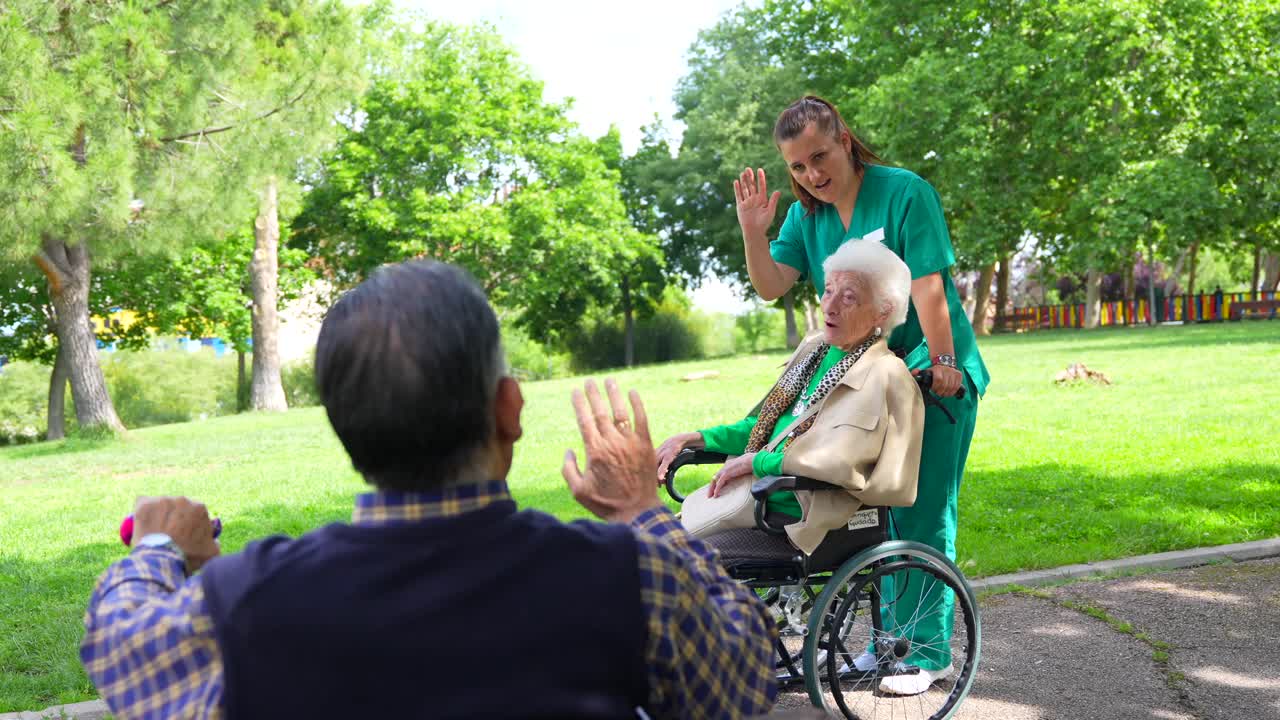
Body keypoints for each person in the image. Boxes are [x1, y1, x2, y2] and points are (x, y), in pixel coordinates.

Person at [80, 260, 778, 719]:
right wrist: (641, 512)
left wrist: (160, 547)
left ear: (347, 430)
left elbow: (118, 644)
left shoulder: (246, 601)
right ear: (509, 410)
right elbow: (744, 686)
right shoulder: (627, 574)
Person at [730, 95, 989, 696]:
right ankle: (886, 642)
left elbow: (928, 286)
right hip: (866, 380)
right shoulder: (808, 217)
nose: (812, 175)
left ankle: (925, 654)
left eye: (819, 156)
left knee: (920, 508)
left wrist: (945, 361)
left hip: (930, 375)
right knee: (876, 514)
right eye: (797, 167)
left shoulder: (904, 192)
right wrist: (752, 233)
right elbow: (772, 285)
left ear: (844, 138)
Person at [655, 239, 923, 558]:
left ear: (884, 310)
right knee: (639, 544)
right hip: (755, 501)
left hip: (796, 520)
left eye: (848, 297)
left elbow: (840, 462)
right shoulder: (814, 350)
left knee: (656, 556)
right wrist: (698, 438)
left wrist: (757, 462)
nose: (830, 305)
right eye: (828, 290)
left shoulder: (884, 374)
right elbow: (766, 428)